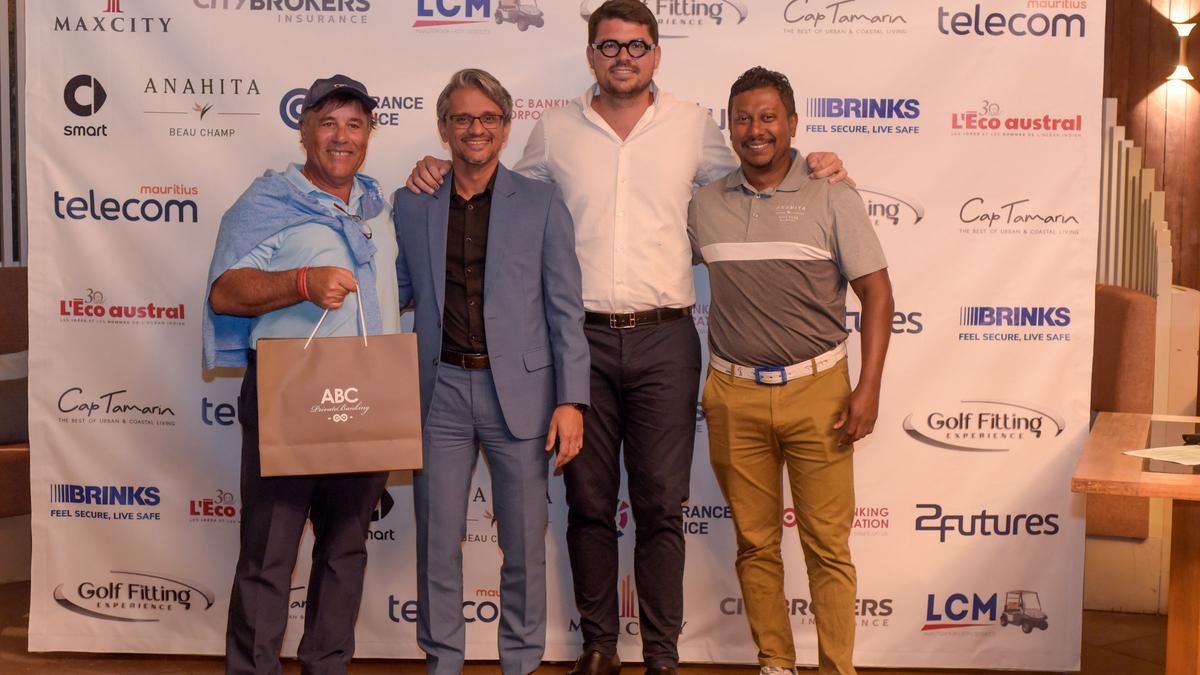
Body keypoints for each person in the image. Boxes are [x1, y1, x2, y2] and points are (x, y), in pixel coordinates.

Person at [406, 4, 849, 673]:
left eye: (636, 45)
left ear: (656, 54)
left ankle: (662, 656)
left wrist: (814, 163)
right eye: (609, 45)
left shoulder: (694, 126)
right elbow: (500, 194)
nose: (623, 57)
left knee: (661, 506)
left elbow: (753, 175)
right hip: (577, 342)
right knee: (588, 506)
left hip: (666, 340)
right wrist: (436, 172)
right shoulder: (555, 129)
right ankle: (598, 647)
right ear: (591, 55)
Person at [688, 67, 894, 675]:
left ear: (793, 124)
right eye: (743, 119)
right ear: (730, 128)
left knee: (827, 547)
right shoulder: (705, 204)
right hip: (732, 394)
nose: (756, 130)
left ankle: (836, 669)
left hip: (819, 392)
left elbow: (877, 295)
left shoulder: (832, 194)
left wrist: (868, 387)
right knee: (755, 544)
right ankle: (775, 663)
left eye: (768, 117)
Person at [392, 68, 590, 675]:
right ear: (443, 127)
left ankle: (521, 663)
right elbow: (392, 290)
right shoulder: (411, 202)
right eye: (462, 118)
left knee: (524, 546)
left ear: (505, 128)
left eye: (487, 118)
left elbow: (565, 308)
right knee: (437, 543)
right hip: (439, 394)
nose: (474, 128)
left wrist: (571, 400)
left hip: (524, 397)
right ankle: (442, 663)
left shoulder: (541, 202)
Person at [202, 74, 398, 675]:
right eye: (328, 122)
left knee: (345, 550)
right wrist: (301, 282)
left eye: (355, 124)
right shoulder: (268, 203)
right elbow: (225, 291)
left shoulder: (378, 209)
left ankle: (327, 667)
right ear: (304, 131)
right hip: (288, 394)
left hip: (366, 394)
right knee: (269, 554)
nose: (342, 136)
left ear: (368, 135)